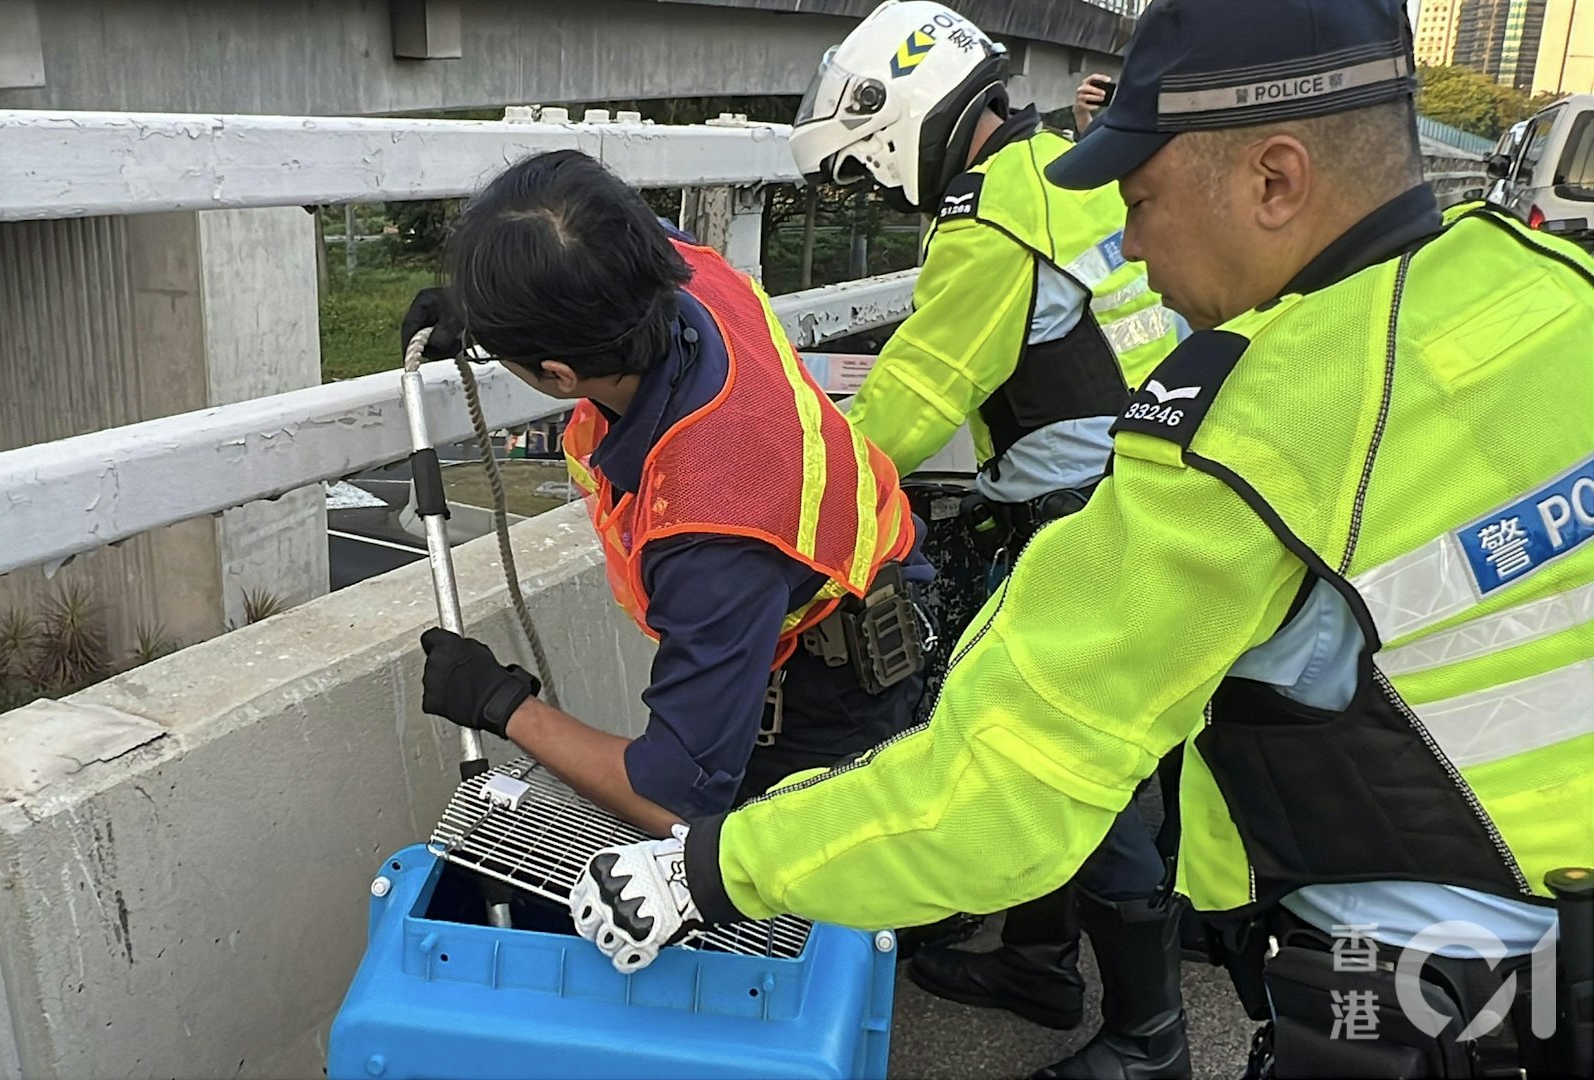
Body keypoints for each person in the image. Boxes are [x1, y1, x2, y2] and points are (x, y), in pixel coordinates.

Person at [567, 2, 1594, 1078]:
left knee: (1091, 794)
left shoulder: (1248, 440)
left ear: (1275, 180)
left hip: (1430, 1000)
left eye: (1142, 201)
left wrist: (712, 870)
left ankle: (1144, 1032)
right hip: (1548, 953)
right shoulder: (1545, 285)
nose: (1132, 242)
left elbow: (997, 788)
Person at [787, 5, 1188, 1073]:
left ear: (899, 119)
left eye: (869, 171)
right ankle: (1041, 954)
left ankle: (1149, 1039)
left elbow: (908, 406)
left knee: (1059, 755)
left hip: (1092, 519)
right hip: (1169, 474)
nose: (882, 192)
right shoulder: (1069, 164)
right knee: (1151, 747)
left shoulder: (990, 222)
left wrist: (777, 492)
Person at [403, 149, 931, 839]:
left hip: (831, 695)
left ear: (560, 377)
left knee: (778, 923)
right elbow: (596, 232)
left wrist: (504, 704)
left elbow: (674, 799)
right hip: (843, 594)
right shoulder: (690, 276)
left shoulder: (715, 520)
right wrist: (487, 308)